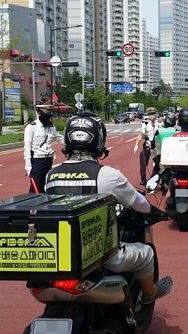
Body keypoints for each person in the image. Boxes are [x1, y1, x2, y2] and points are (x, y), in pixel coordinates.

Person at [44, 113, 173, 304]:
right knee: (146, 254)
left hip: (62, 256)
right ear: (99, 140)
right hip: (99, 256)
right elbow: (140, 204)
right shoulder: (107, 175)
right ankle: (148, 294)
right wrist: (151, 212)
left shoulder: (51, 175)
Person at [149, 113, 178, 188]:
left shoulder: (159, 131)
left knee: (156, 169)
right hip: (174, 156)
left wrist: (152, 149)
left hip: (161, 155)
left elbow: (153, 143)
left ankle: (151, 187)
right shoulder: (176, 130)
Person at [133, 107, 158, 186]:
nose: (151, 116)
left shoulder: (160, 123)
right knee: (143, 159)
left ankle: (154, 179)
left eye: (153, 114)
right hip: (148, 144)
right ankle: (143, 179)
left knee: (158, 163)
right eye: (150, 114)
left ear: (155, 114)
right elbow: (141, 134)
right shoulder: (146, 124)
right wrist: (136, 144)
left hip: (157, 145)